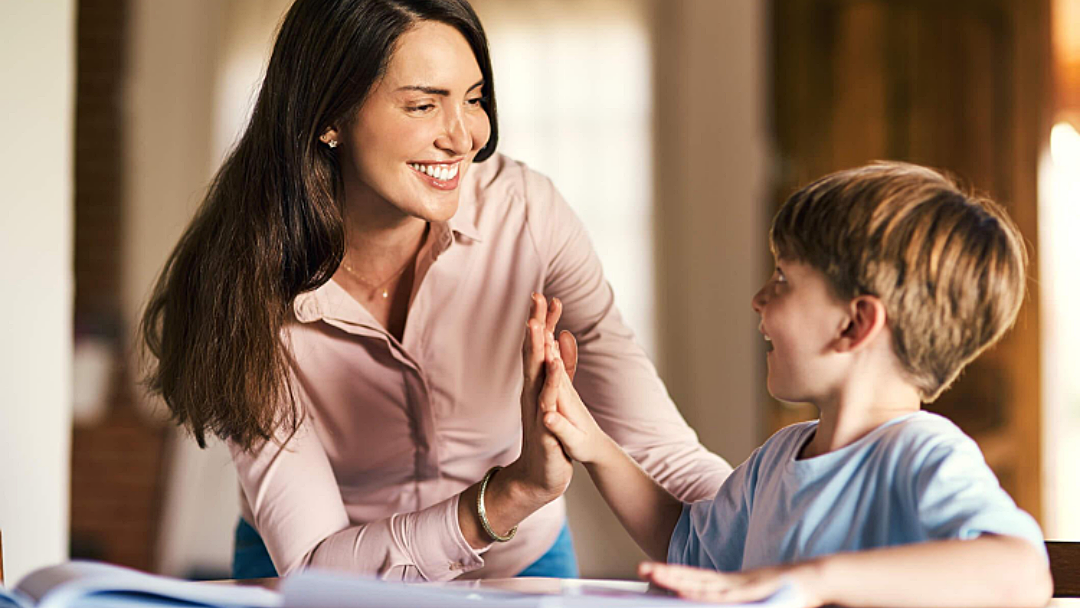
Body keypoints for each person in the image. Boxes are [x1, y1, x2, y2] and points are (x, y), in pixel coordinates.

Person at [139, 0, 731, 582]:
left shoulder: (526, 216)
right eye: (424, 105)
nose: (464, 135)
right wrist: (509, 494)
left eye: (473, 100)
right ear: (328, 118)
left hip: (518, 562)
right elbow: (317, 562)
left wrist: (787, 529)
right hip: (318, 565)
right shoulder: (239, 284)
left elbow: (662, 450)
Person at [537, 162, 1053, 607]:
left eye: (783, 278)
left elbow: (1023, 573)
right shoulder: (778, 459)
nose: (760, 298)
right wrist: (594, 444)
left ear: (854, 325)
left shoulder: (921, 452)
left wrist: (812, 580)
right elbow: (688, 545)